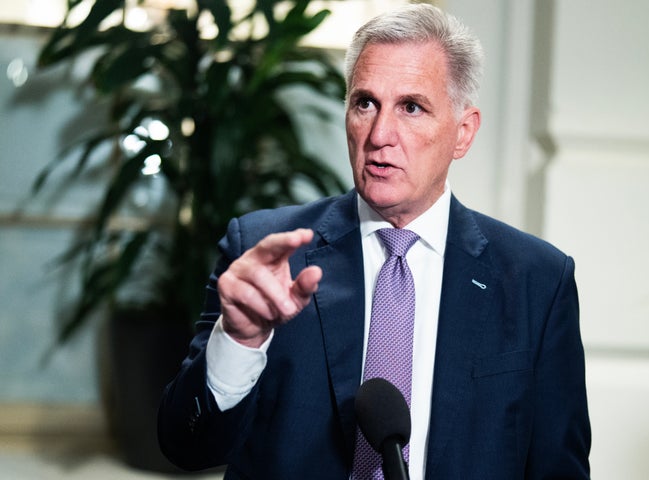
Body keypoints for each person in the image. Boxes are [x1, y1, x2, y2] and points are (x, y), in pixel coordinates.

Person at [157, 3, 591, 479]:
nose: (380, 134)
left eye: (411, 107)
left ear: (462, 133)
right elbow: (186, 446)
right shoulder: (266, 253)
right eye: (365, 103)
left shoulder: (536, 280)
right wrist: (239, 342)